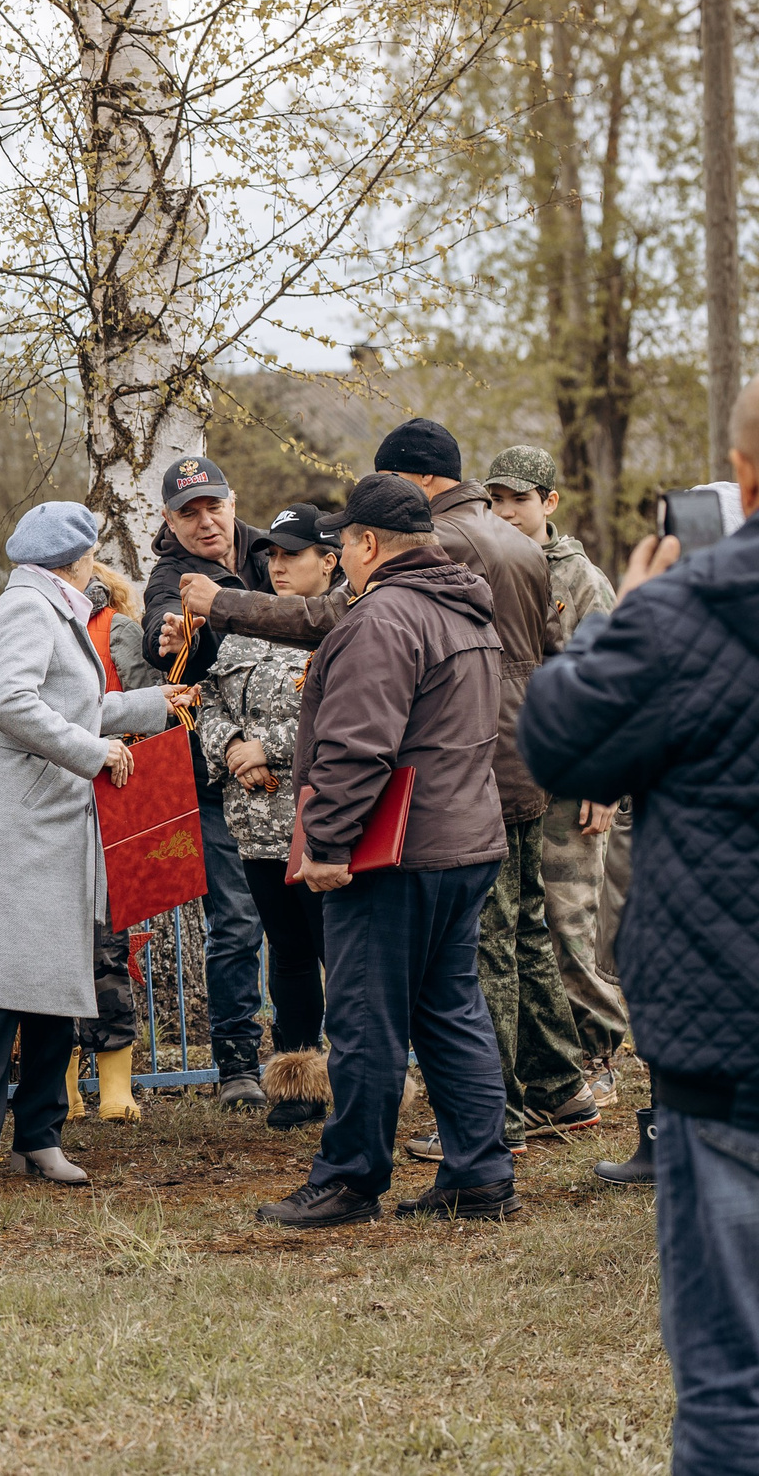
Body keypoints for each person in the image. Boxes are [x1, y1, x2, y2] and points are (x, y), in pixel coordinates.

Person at [176, 419, 588, 1152]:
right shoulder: (520, 545)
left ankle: (496, 1124)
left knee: (462, 971)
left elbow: (344, 667)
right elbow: (554, 658)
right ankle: (557, 1087)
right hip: (515, 765)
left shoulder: (427, 561)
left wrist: (223, 603)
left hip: (448, 785)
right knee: (522, 936)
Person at [519, 379, 759, 1469]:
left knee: (732, 1384)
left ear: (739, 475)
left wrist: (629, 604)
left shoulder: (688, 612)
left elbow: (559, 745)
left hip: (728, 1038)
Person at [253, 475, 517, 1228]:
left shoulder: (383, 619)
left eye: (344, 542)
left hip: (394, 855)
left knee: (368, 1019)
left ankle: (350, 1178)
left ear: (368, 545)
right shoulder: (466, 610)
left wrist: (329, 842)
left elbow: (357, 746)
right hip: (466, 841)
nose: (342, 554)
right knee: (450, 1009)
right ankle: (480, 1173)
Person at [0, 503, 184, 1199]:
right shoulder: (24, 611)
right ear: (71, 556)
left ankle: (39, 1135)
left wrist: (159, 702)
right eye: (91, 549)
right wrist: (94, 753)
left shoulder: (54, 609)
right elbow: (10, 703)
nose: (96, 560)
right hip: (16, 816)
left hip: (48, 814)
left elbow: (75, 704)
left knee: (52, 984)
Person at [483, 447, 627, 1088]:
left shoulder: (580, 580)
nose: (507, 510)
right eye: (497, 499)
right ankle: (543, 1062)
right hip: (512, 776)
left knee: (571, 924)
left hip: (572, 780)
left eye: (519, 498)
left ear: (549, 502)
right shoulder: (486, 564)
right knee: (522, 927)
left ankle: (595, 1053)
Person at [134, 457, 274, 1110]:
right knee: (238, 921)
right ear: (169, 519)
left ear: (231, 499)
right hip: (215, 778)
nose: (206, 520)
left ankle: (309, 1054)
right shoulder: (172, 576)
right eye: (188, 512)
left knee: (309, 921)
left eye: (213, 505)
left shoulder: (272, 550)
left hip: (292, 767)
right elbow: (162, 630)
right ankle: (239, 1063)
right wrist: (174, 636)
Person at [202, 504, 345, 1131]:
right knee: (287, 955)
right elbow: (208, 701)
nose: (279, 566)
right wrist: (232, 745)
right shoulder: (247, 625)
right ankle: (297, 1085)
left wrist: (276, 749)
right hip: (256, 826)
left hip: (322, 826)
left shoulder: (345, 623)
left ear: (330, 561)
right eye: (273, 557)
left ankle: (356, 1082)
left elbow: (350, 714)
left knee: (336, 955)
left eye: (293, 555)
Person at [67, 560, 165, 1123]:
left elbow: (153, 709)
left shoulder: (117, 628)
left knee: (108, 945)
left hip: (114, 794)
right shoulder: (30, 624)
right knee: (55, 948)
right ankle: (64, 1089)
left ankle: (114, 1088)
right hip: (49, 799)